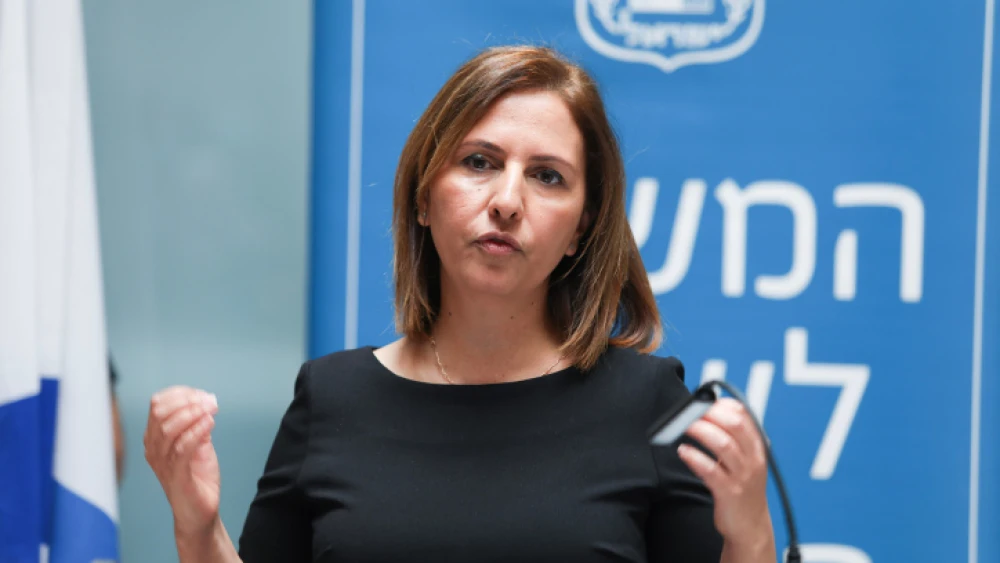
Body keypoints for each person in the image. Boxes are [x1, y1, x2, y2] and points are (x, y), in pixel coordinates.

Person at [143, 45, 777, 562]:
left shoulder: (648, 403)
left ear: (581, 228)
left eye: (547, 175)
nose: (506, 200)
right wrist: (198, 529)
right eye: (479, 162)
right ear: (424, 198)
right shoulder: (331, 397)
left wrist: (750, 535)